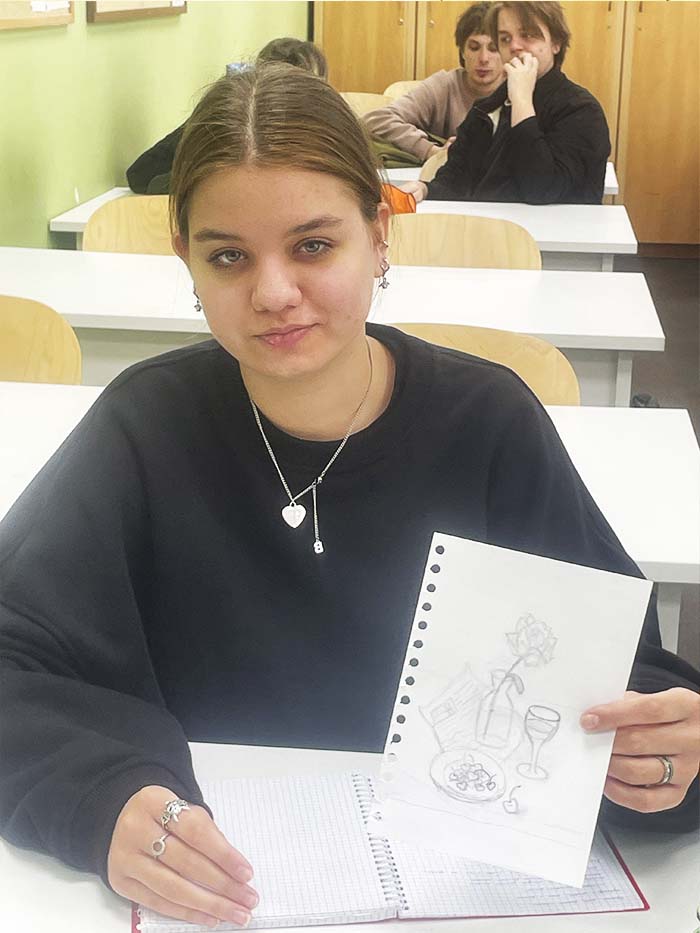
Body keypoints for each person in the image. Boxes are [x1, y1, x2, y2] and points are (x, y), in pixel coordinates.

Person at [1, 64, 699, 930]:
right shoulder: (143, 427)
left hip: (463, 898)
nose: (273, 293)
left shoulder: (487, 424)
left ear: (378, 234)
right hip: (225, 898)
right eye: (228, 256)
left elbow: (626, 676)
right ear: (187, 262)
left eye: (313, 246)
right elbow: (12, 653)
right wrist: (97, 794)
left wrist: (663, 751)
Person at [402, 1, 610, 204]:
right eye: (505, 39)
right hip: (487, 223)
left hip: (551, 227)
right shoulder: (487, 107)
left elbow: (541, 189)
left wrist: (522, 100)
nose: (514, 46)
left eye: (528, 35)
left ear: (555, 43)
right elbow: (456, 180)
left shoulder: (581, 110)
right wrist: (426, 189)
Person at [125, 37, 328, 194]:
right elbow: (140, 175)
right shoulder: (235, 117)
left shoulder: (313, 139)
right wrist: (212, 112)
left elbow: (144, 178)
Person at [363, 2, 503, 164]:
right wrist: (431, 151)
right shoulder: (444, 86)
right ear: (462, 51)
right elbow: (376, 120)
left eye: (493, 48)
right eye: (474, 47)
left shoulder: (520, 88)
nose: (484, 58)